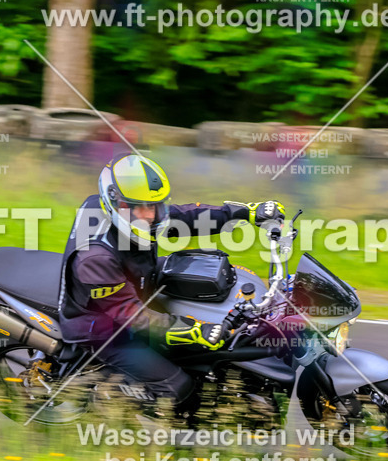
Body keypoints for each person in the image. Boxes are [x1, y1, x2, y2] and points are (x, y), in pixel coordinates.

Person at [59, 154, 284, 413]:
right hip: (103, 329)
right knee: (178, 388)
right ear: (116, 204)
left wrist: (244, 212)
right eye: (140, 207)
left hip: (137, 281)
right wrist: (193, 329)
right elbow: (130, 317)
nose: (150, 215)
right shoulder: (95, 258)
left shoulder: (132, 217)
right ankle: (123, 406)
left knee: (209, 278)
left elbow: (182, 218)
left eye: (155, 206)